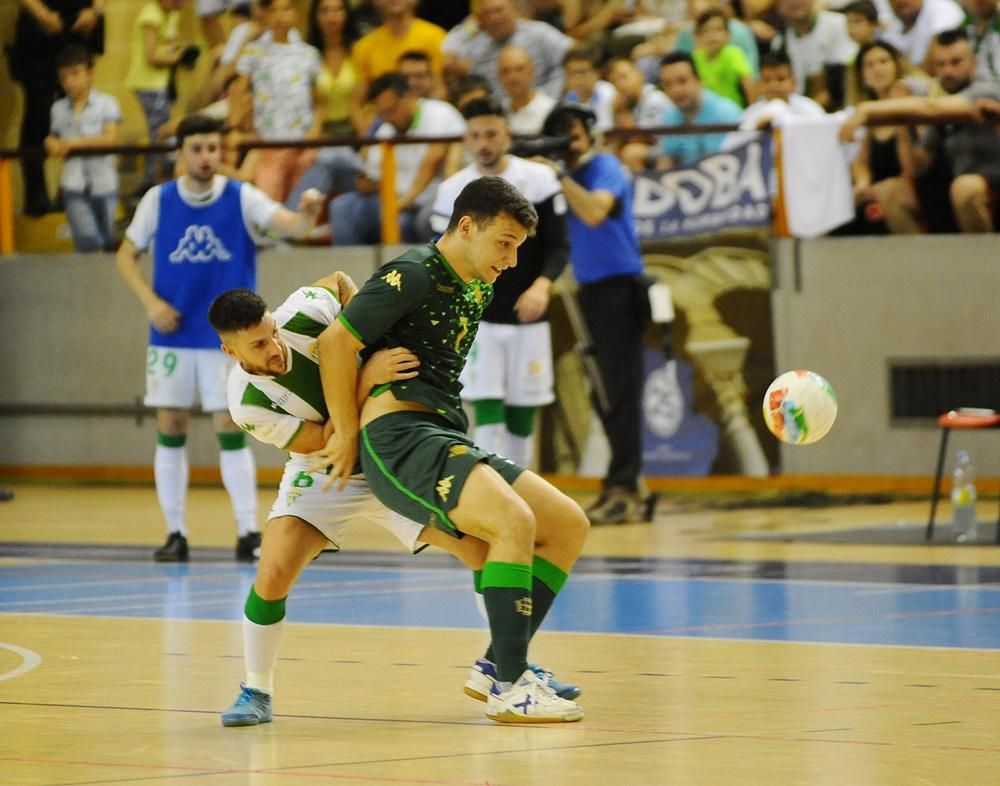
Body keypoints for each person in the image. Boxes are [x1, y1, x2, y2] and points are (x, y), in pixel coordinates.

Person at [314, 176, 589, 722]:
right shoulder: (413, 272)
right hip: (398, 439)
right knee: (514, 523)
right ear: (467, 226)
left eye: (519, 247)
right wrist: (344, 430)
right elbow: (334, 342)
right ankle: (512, 686)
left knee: (567, 523)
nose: (511, 260)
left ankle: (496, 665)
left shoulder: (477, 286)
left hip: (442, 433)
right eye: (504, 243)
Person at [207, 275, 492, 726]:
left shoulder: (303, 312)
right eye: (259, 346)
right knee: (274, 570)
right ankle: (256, 689)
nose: (275, 347)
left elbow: (337, 282)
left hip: (388, 451)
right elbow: (326, 439)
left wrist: (372, 338)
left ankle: (506, 664)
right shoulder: (246, 402)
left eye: (273, 333)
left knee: (479, 547)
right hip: (325, 467)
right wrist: (368, 376)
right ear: (231, 352)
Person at [115, 113, 325, 563]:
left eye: (214, 148)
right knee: (170, 427)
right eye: (198, 148)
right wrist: (150, 302)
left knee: (231, 428)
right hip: (171, 336)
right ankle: (175, 533)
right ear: (181, 152)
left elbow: (290, 226)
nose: (207, 157)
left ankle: (248, 532)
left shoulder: (240, 196)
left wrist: (307, 214)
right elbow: (126, 254)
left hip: (226, 341)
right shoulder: (158, 199)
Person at [430, 99, 569, 470]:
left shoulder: (538, 180)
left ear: (507, 135)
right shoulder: (452, 191)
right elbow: (442, 257)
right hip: (480, 318)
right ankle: (491, 498)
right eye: (475, 136)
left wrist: (541, 286)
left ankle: (523, 497)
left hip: (528, 314)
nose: (484, 143)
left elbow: (559, 245)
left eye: (491, 134)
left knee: (524, 415)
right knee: (487, 413)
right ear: (466, 140)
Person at [537, 103, 657, 525]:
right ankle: (624, 482)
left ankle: (625, 484)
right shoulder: (562, 177)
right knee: (602, 390)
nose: (568, 145)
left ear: (589, 134)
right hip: (589, 290)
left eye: (573, 135)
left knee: (619, 389)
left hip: (620, 288)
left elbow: (594, 212)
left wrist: (558, 176)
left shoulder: (605, 166)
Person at [839, 29, 1000, 232]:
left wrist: (866, 109)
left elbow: (931, 108)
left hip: (990, 179)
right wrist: (902, 125)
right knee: (890, 191)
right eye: (941, 65)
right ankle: (922, 262)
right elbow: (916, 169)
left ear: (973, 63)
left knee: (964, 187)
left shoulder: (987, 91)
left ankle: (983, 262)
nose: (948, 71)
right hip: (957, 187)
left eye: (956, 62)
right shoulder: (943, 104)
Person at [9, 0, 105, 216]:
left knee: (79, 111)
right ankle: (36, 198)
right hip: (40, 27)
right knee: (37, 114)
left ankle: (74, 191)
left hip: (81, 23)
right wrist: (41, 14)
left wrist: (95, 10)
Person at [44, 44, 121, 253]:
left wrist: (73, 143)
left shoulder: (107, 103)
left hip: (104, 181)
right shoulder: (57, 108)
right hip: (73, 183)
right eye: (63, 77)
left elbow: (109, 139)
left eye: (75, 74)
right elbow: (54, 136)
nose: (69, 82)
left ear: (90, 74)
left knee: (109, 239)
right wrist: (49, 142)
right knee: (86, 238)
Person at [657, 52, 743, 167]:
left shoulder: (726, 113)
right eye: (668, 84)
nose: (675, 90)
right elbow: (666, 160)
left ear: (699, 81)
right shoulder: (669, 116)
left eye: (682, 81)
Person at [692, 8, 755, 109]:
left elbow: (747, 83)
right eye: (706, 30)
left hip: (733, 115)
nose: (713, 35)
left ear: (728, 35)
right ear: (698, 36)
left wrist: (753, 111)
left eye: (718, 29)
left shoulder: (733, 53)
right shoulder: (695, 58)